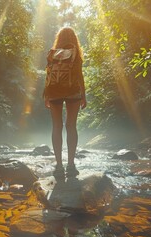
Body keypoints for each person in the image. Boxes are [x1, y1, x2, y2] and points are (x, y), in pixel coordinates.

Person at [43, 27, 87, 178]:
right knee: (71, 126)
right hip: (72, 91)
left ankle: (59, 166)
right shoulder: (75, 54)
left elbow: (48, 76)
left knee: (56, 126)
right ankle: (71, 165)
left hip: (54, 92)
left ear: (59, 38)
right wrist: (84, 95)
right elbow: (80, 76)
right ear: (74, 38)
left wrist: (46, 95)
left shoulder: (52, 54)